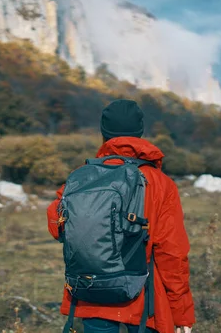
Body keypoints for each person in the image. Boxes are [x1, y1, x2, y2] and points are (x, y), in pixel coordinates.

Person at [47, 99, 195, 333]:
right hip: (144, 300)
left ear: (104, 133)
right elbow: (172, 254)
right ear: (140, 131)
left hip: (92, 292)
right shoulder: (160, 183)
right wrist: (181, 312)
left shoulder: (82, 176)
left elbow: (58, 227)